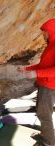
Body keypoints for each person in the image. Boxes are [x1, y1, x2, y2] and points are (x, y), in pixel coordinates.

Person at [18, 18, 55, 146]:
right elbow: (42, 65)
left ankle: (49, 143)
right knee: (41, 112)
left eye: (45, 32)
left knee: (44, 114)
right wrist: (26, 69)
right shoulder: (50, 46)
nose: (43, 34)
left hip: (50, 87)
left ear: (51, 31)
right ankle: (45, 135)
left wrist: (37, 73)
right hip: (44, 84)